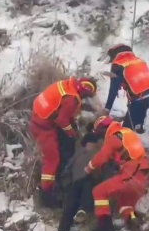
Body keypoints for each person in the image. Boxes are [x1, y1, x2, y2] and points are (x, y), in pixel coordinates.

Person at [30, 76, 98, 209]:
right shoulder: (72, 99)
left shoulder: (67, 85)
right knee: (52, 160)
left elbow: (60, 109)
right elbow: (62, 120)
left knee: (59, 153)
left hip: (40, 118)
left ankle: (52, 186)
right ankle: (46, 195)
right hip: (44, 128)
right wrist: (72, 133)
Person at [85, 116, 149, 231]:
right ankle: (133, 223)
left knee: (99, 191)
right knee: (124, 201)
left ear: (104, 129)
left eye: (100, 134)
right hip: (141, 174)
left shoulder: (114, 136)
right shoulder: (126, 132)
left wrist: (89, 168)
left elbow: (102, 156)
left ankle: (105, 227)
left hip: (132, 171)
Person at [101, 44, 149, 134]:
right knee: (137, 111)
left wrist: (106, 110)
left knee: (124, 132)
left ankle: (128, 139)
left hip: (141, 100)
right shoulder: (139, 61)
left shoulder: (118, 65)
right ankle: (139, 128)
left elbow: (113, 91)